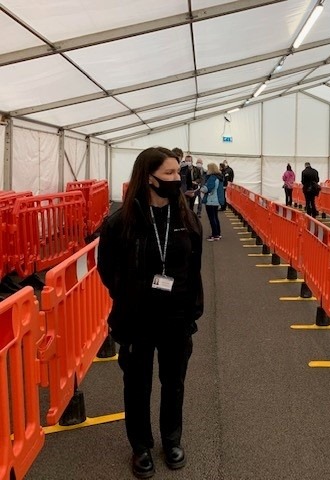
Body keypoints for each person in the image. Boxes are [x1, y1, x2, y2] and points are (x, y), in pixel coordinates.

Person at [97, 147, 203, 478]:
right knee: (137, 385)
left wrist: (190, 311)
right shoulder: (120, 223)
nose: (176, 178)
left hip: (176, 319)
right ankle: (140, 446)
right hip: (136, 320)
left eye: (177, 173)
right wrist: (130, 296)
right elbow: (107, 270)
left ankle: (171, 440)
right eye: (169, 174)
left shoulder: (187, 218)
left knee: (174, 383)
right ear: (149, 178)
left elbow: (194, 267)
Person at [201, 163, 225, 241]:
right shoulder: (219, 177)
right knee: (215, 217)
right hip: (216, 200)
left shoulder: (212, 177)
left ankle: (215, 235)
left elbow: (208, 188)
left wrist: (202, 188)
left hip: (210, 200)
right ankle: (218, 233)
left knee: (212, 218)